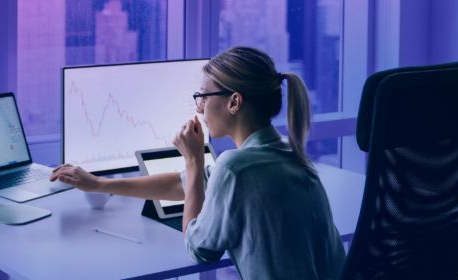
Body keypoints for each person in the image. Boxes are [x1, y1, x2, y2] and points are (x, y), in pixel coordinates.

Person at [50, 46, 345, 279]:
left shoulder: (235, 167)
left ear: (234, 102)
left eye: (204, 96)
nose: (199, 106)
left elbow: (199, 249)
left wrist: (193, 160)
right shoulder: (286, 152)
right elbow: (187, 184)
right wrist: (100, 184)